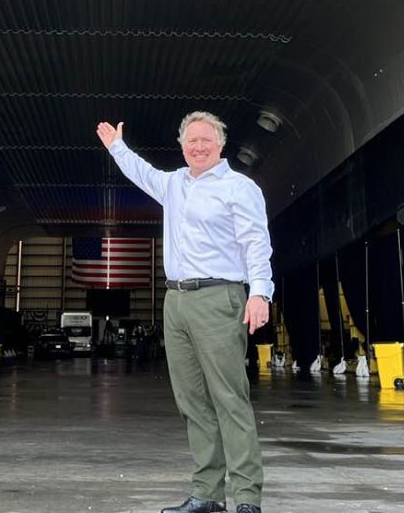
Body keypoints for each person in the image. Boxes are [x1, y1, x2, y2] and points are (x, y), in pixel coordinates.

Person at [96, 111, 274, 513]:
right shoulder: (174, 184)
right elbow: (141, 172)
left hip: (219, 298)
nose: (198, 147)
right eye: (191, 141)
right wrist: (116, 148)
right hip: (176, 302)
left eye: (205, 140)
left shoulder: (238, 188)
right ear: (181, 145)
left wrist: (260, 292)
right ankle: (208, 494)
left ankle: (247, 498)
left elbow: (255, 243)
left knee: (229, 398)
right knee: (192, 402)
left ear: (221, 144)